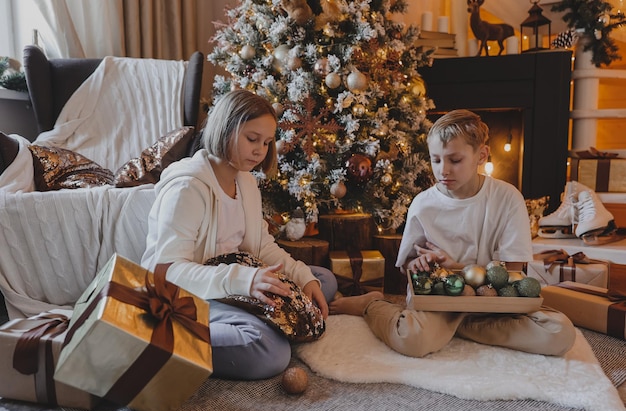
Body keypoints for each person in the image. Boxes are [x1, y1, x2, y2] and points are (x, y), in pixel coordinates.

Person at [330, 109, 576, 358]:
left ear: (481, 155)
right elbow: (407, 268)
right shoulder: (423, 204)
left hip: (492, 304)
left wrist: (455, 267)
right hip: (440, 303)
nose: (443, 170)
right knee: (413, 340)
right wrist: (420, 264)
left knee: (560, 333)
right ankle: (371, 304)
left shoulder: (507, 198)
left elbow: (512, 274)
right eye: (436, 160)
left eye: (455, 160)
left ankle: (458, 327)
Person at [141, 89, 337, 379]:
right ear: (225, 129)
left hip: (237, 278)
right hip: (195, 292)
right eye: (252, 139)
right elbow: (167, 272)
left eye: (268, 142)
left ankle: (266, 317)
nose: (260, 150)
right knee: (270, 352)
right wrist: (244, 281)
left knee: (322, 280)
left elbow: (261, 246)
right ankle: (158, 338)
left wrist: (302, 277)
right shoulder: (188, 189)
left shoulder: (245, 182)